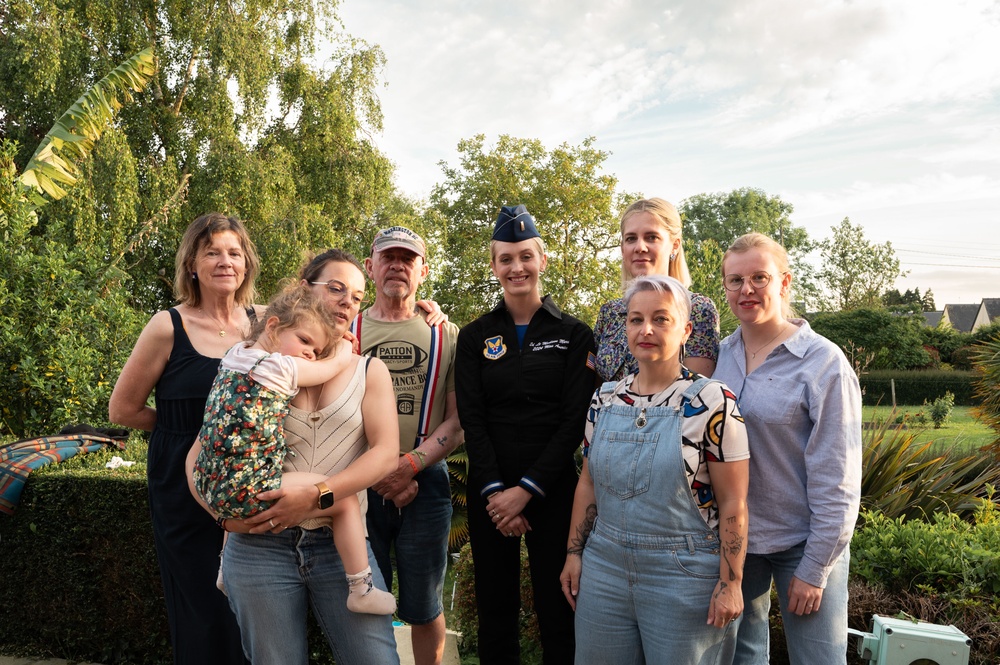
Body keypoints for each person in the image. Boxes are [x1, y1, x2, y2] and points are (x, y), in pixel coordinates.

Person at [216, 249, 403, 664]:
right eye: (335, 288)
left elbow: (386, 454)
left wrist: (318, 494)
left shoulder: (368, 370)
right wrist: (222, 517)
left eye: (356, 296)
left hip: (341, 550)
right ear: (303, 289)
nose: (346, 303)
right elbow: (202, 453)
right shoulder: (258, 364)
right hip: (258, 545)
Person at [559, 274, 749, 663]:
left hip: (683, 576)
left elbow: (734, 503)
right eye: (636, 319)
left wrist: (731, 583)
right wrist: (574, 554)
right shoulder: (605, 399)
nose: (646, 329)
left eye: (661, 319)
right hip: (604, 570)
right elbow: (588, 484)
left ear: (686, 330)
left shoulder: (713, 401)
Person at [187, 284, 395, 614]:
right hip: (252, 487)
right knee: (342, 502)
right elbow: (329, 368)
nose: (309, 354)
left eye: (314, 348)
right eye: (305, 342)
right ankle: (361, 588)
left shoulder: (234, 355)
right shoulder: (281, 368)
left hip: (210, 482)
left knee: (246, 456)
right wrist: (341, 348)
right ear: (273, 327)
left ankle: (227, 568)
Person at [108, 212, 258, 664]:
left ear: (246, 263)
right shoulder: (166, 325)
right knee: (203, 607)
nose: (224, 261)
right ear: (192, 263)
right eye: (211, 251)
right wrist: (189, 433)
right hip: (180, 485)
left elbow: (332, 320)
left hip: (249, 481)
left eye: (234, 252)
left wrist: (429, 313)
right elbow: (123, 409)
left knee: (252, 602)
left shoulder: (266, 323)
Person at [456, 204, 596, 664]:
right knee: (496, 611)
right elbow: (472, 420)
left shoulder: (574, 334)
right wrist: (499, 492)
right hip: (490, 492)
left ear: (543, 260)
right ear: (494, 265)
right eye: (505, 258)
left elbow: (574, 421)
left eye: (525, 256)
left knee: (560, 607)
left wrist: (527, 491)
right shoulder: (476, 335)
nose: (516, 267)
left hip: (553, 490)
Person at [712, 233, 862, 665]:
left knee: (819, 659)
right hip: (738, 542)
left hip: (805, 541)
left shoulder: (823, 363)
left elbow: (840, 475)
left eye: (760, 277)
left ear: (784, 282)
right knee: (742, 659)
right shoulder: (719, 357)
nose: (747, 290)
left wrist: (815, 570)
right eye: (735, 280)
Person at [350, 226, 463, 665]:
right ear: (370, 266)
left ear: (423, 271)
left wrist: (409, 466)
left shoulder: (445, 334)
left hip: (426, 479)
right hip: (358, 482)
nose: (397, 264)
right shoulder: (346, 328)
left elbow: (458, 422)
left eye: (408, 258)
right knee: (363, 598)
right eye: (388, 256)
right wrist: (378, 471)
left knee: (424, 605)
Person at [593, 197, 720, 380]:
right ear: (622, 248)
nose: (640, 247)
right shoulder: (610, 313)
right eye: (631, 239)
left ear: (674, 245)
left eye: (651, 237)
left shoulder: (698, 309)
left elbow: (695, 391)